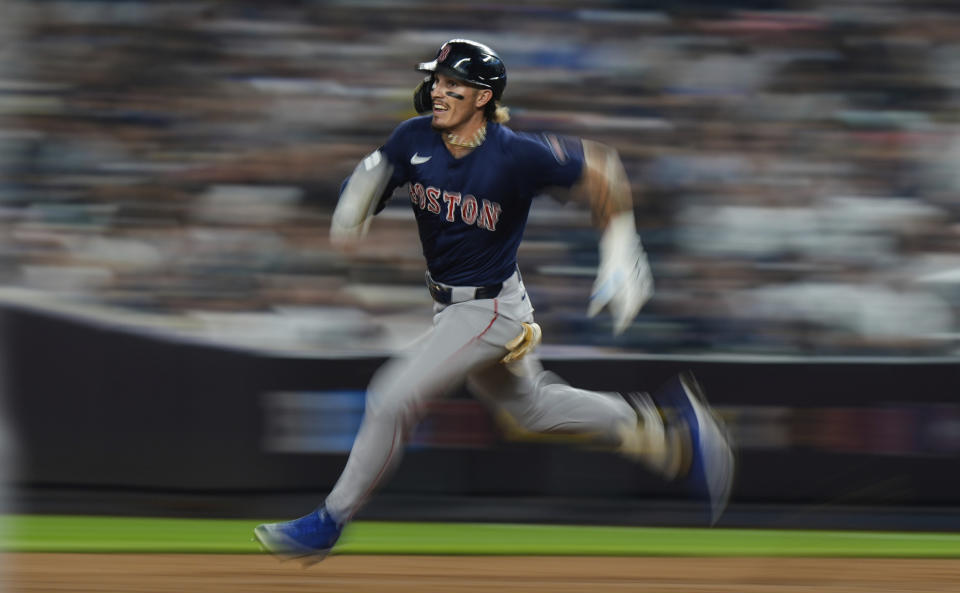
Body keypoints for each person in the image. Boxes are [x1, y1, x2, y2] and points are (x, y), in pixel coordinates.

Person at [255, 39, 734, 565]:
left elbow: (602, 168)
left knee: (391, 398)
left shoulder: (514, 154)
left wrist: (621, 245)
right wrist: (359, 189)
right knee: (532, 410)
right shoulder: (413, 137)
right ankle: (668, 433)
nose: (437, 91)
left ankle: (329, 521)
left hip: (488, 309)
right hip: (459, 304)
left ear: (482, 96)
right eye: (436, 81)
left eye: (450, 84)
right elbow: (376, 175)